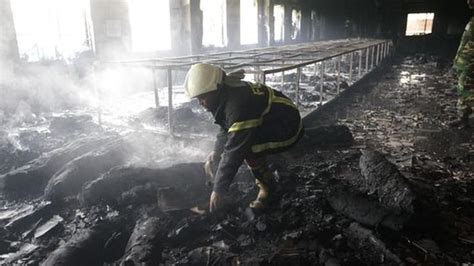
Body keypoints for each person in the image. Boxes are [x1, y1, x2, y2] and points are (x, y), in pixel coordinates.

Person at [184, 63, 303, 212]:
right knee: (239, 143)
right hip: (272, 120)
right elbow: (226, 126)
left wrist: (219, 190)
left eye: (203, 97)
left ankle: (268, 189)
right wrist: (216, 151)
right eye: (197, 99)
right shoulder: (227, 92)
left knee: (247, 149)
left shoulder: (237, 105)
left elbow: (235, 150)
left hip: (288, 128)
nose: (200, 103)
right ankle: (263, 174)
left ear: (216, 89)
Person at [450, 0, 474, 129]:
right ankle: (463, 118)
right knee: (463, 90)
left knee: (468, 92)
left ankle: (466, 119)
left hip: (471, 63)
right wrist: (457, 60)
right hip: (465, 62)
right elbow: (465, 42)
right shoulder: (472, 20)